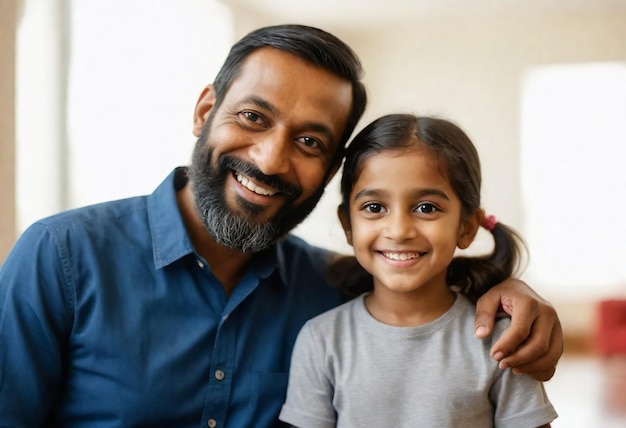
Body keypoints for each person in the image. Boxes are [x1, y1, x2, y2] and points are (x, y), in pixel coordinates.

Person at [0, 25, 561, 427]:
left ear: (332, 169)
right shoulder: (61, 257)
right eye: (253, 117)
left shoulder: (329, 287)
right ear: (204, 112)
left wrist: (513, 296)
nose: (270, 160)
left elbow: (420, 288)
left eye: (310, 141)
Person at [279, 114, 559, 428]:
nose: (398, 231)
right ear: (348, 225)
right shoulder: (321, 340)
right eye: (374, 207)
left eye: (426, 207)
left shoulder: (501, 341)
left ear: (466, 228)